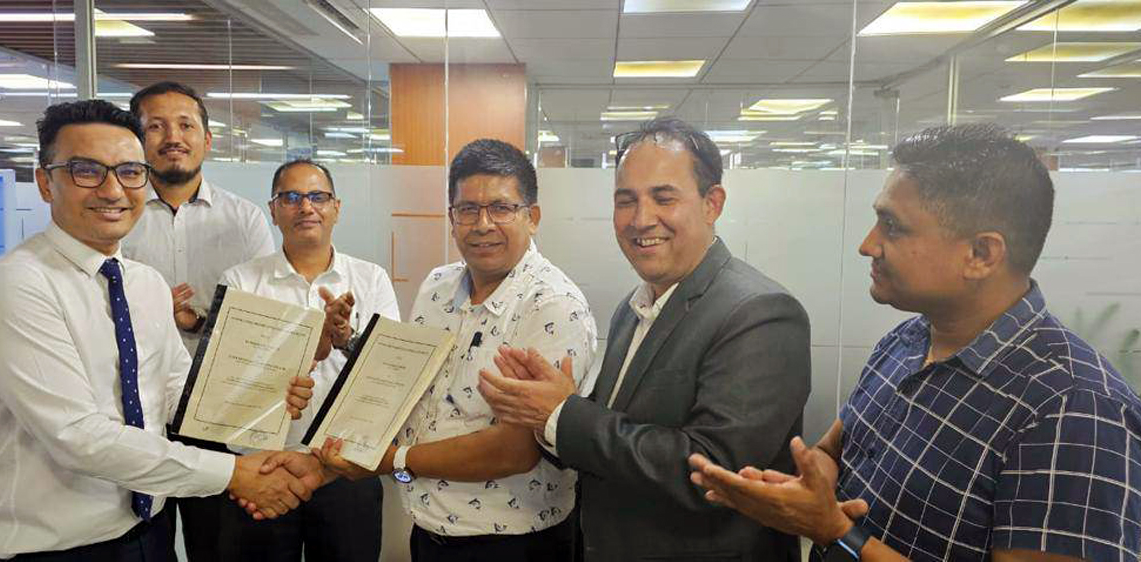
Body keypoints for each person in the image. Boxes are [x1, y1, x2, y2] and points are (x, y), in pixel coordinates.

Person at [689, 124, 1141, 562]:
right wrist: (805, 492)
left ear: (981, 254)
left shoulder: (1074, 410)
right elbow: (831, 451)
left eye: (892, 226)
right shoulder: (908, 340)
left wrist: (835, 532)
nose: (868, 245)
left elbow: (836, 528)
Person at [0, 99, 322, 562]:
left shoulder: (144, 283)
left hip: (150, 535)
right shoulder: (14, 285)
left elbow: (176, 394)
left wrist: (262, 400)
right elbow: (78, 436)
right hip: (57, 552)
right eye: (87, 171)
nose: (113, 190)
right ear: (45, 182)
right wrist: (236, 474)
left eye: (130, 171)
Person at [478, 117, 811, 561]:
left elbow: (710, 471)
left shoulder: (760, 313)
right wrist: (546, 411)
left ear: (712, 203)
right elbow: (616, 431)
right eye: (626, 200)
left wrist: (562, 414)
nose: (640, 219)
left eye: (664, 198)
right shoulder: (633, 307)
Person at [264, 138, 598, 561]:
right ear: (452, 217)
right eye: (468, 209)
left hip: (513, 544)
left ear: (531, 217)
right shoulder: (438, 286)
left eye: (501, 208)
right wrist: (327, 464)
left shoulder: (552, 306)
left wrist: (391, 460)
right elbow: (407, 388)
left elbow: (515, 450)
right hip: (430, 531)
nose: (482, 224)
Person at [123, 81, 276, 560]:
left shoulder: (245, 219)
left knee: (220, 543)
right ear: (137, 139)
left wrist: (195, 323)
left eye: (186, 125)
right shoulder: (118, 215)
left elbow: (261, 319)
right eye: (156, 126)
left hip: (220, 405)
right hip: (136, 404)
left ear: (207, 139)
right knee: (144, 539)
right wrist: (149, 314)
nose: (173, 137)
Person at [218, 159, 399, 561]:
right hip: (262, 471)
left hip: (345, 468)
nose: (306, 207)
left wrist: (345, 338)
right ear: (273, 210)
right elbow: (230, 381)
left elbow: (389, 374)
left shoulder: (370, 279)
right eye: (291, 197)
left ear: (337, 208)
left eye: (318, 196)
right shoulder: (240, 282)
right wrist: (309, 351)